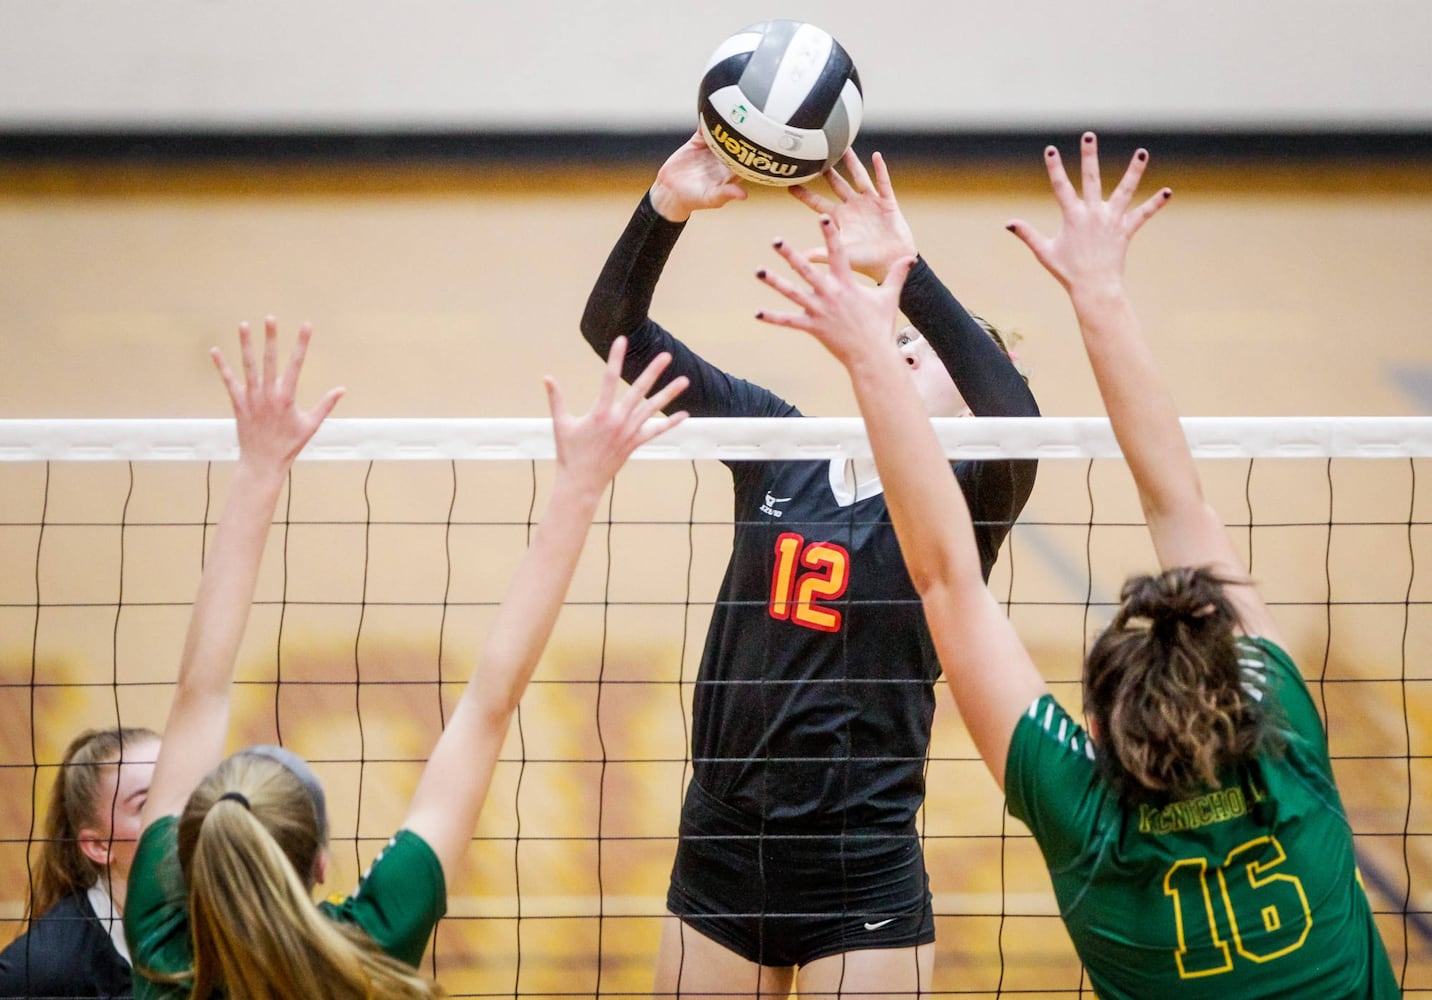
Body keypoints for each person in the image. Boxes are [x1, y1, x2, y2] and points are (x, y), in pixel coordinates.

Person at [755, 133, 1399, 998]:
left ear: (1101, 736)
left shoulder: (1095, 823)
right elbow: (1175, 506)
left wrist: (877, 354)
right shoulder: (1282, 754)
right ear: (1239, 702)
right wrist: (1098, 292)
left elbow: (947, 574)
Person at [580, 132, 1039, 997]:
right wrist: (664, 207)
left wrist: (904, 266)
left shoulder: (963, 500)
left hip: (860, 869)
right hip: (722, 851)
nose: (905, 343)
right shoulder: (778, 443)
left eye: (929, 344)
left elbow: (1018, 418)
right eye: (898, 333)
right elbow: (613, 332)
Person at [121, 318, 688, 999]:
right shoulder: (369, 946)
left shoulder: (160, 949)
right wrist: (582, 486)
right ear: (322, 864)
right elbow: (488, 704)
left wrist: (258, 469)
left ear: (189, 858)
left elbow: (198, 694)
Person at [0, 727, 160, 998]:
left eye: (182, 792)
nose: (177, 813)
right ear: (99, 846)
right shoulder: (44, 969)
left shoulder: (224, 918)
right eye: (147, 804)